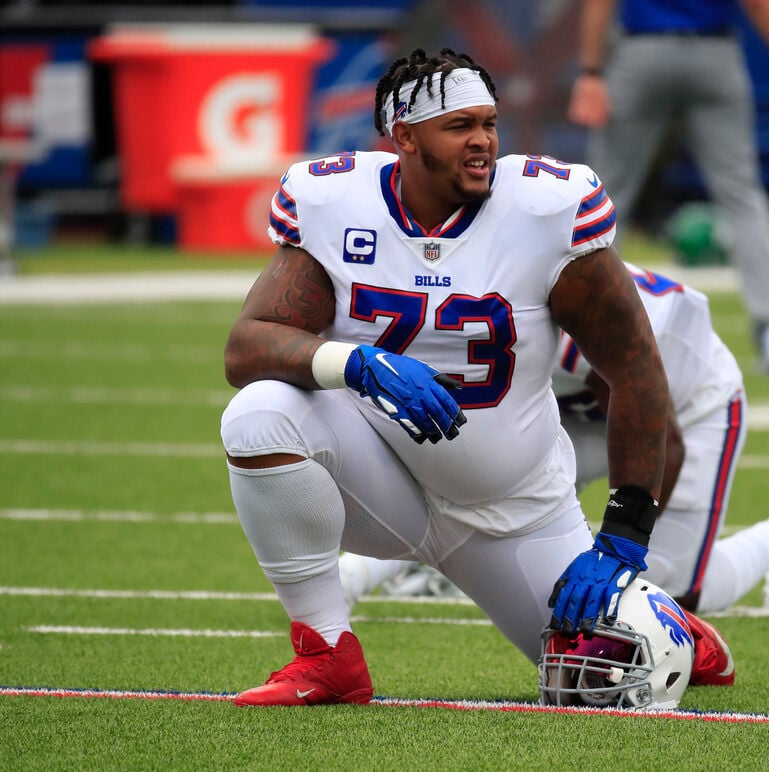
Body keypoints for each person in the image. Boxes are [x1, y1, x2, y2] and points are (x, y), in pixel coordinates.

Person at [220, 47, 733, 707]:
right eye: (459, 126)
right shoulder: (335, 202)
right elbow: (247, 346)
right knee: (259, 415)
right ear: (404, 137)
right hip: (382, 483)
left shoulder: (544, 210)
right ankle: (327, 657)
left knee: (600, 684)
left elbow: (635, 371)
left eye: (488, 123)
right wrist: (354, 361)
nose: (483, 141)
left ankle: (676, 626)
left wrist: (622, 539)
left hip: (517, 512)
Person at [339, 261, 769, 615]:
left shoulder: (560, 301)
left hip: (682, 407)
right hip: (573, 404)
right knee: (477, 481)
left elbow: (659, 435)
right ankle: (362, 573)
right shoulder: (473, 280)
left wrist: (623, 548)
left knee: (666, 597)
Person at [567, 0, 769, 374]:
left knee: (603, 198)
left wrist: (590, 71)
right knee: (742, 196)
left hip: (643, 53)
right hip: (714, 53)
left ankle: (585, 332)